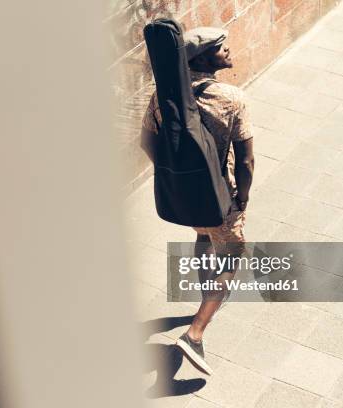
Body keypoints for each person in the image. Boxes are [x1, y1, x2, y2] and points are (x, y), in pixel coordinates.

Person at [140, 26, 255, 375]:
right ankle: (195, 333)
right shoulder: (231, 98)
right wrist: (242, 198)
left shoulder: (163, 97)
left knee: (204, 235)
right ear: (203, 58)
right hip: (222, 197)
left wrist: (178, 175)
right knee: (232, 256)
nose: (228, 51)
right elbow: (246, 158)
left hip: (184, 198)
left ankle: (205, 298)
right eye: (222, 48)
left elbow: (146, 143)